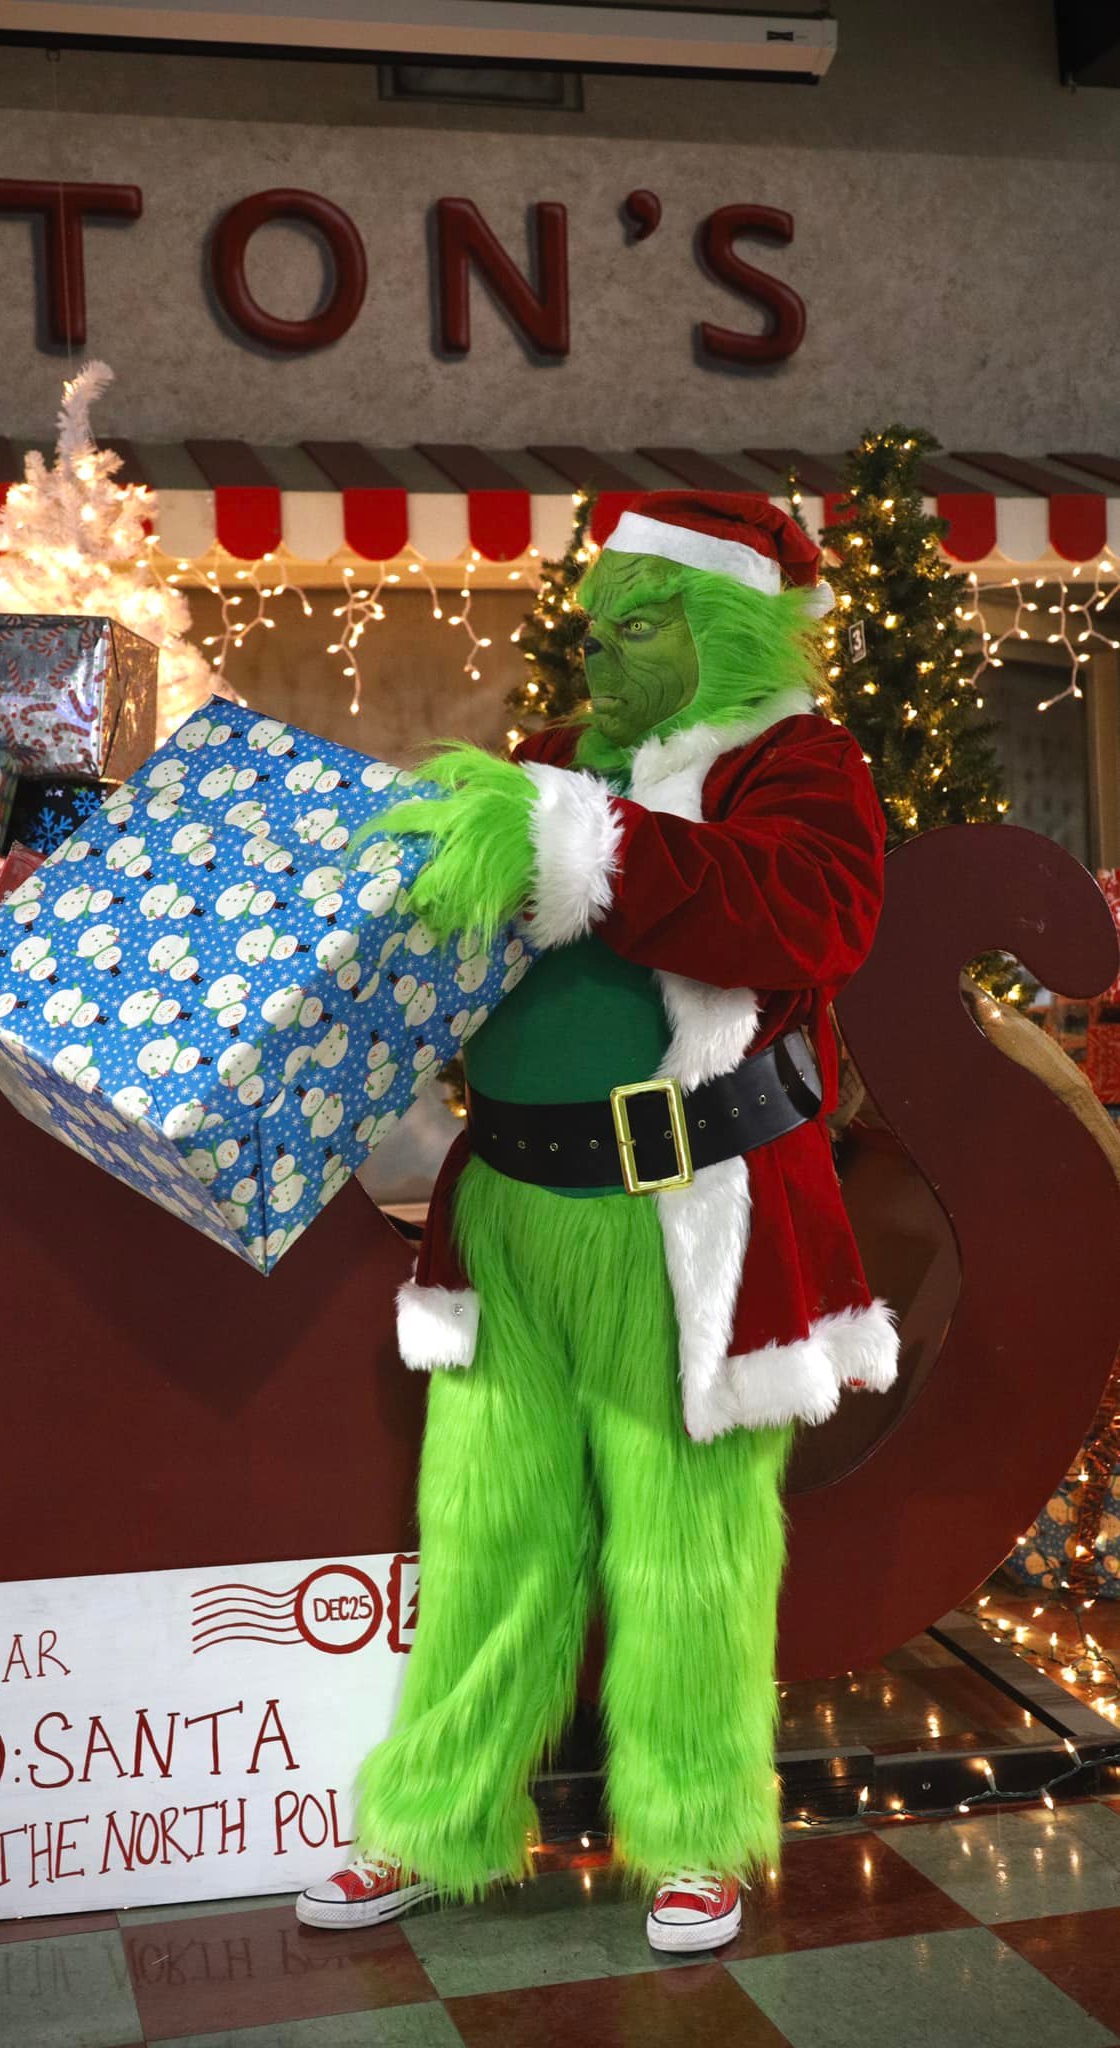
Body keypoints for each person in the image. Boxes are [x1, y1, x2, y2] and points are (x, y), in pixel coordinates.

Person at [296, 491, 895, 1952]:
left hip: (682, 1226)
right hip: (505, 1215)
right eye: (596, 629)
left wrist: (575, 842)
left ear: (727, 627)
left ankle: (694, 1833)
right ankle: (434, 1818)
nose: (600, 658)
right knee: (486, 1537)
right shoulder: (554, 762)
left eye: (639, 630)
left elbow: (808, 914)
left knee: (688, 1548)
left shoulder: (796, 763)